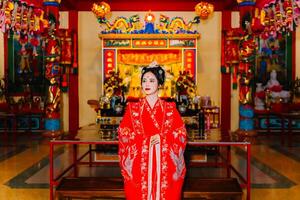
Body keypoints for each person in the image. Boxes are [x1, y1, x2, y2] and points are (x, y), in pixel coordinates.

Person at [118, 62, 187, 200]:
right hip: (140, 168)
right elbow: (124, 134)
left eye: (151, 80)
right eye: (144, 80)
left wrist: (162, 139)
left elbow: (181, 134)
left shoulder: (170, 108)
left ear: (159, 84)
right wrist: (146, 141)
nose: (147, 84)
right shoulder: (133, 109)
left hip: (164, 168)